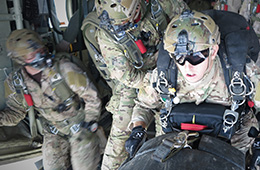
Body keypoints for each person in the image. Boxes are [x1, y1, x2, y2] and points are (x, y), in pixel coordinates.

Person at [126, 10, 260, 169]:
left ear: (213, 51)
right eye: (179, 57)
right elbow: (143, 105)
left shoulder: (240, 72)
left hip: (234, 145)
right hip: (176, 146)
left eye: (195, 57)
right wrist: (138, 130)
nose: (187, 66)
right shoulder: (165, 74)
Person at [93, 0, 189, 169]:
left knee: (168, 134)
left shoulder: (162, 5)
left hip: (174, 70)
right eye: (118, 23)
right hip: (135, 81)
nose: (122, 25)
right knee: (120, 136)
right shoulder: (107, 33)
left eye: (125, 21)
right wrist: (154, 82)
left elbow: (190, 31)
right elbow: (126, 75)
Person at [1, 29, 101, 170]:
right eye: (31, 55)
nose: (38, 56)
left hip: (80, 125)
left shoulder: (64, 68)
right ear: (21, 59)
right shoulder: (17, 82)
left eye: (40, 50)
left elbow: (92, 97)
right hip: (54, 130)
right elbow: (16, 113)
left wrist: (90, 123)